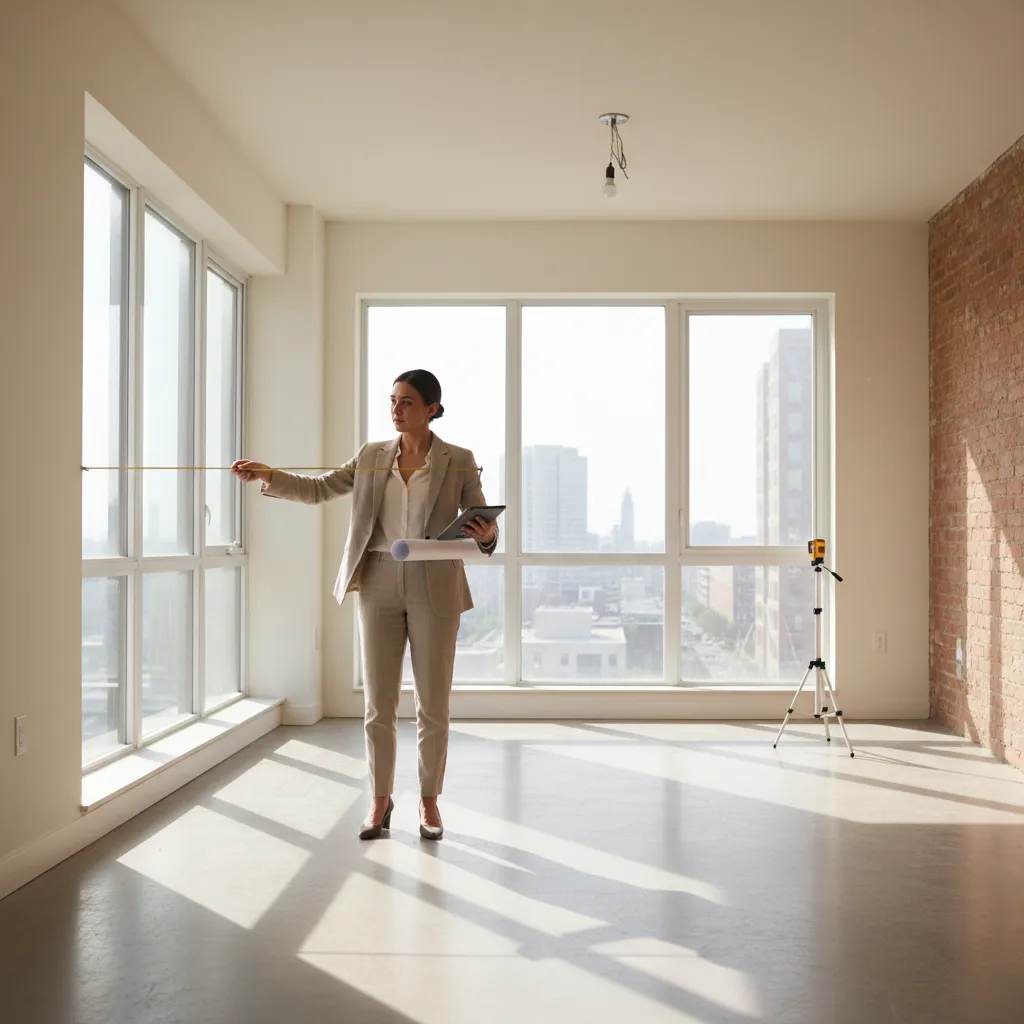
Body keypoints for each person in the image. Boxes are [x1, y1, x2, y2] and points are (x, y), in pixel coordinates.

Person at [232, 369, 497, 841]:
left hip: (435, 581)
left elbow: (480, 523)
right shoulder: (372, 455)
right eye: (393, 400)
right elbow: (319, 490)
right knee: (379, 702)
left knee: (433, 702)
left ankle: (429, 802)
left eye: (408, 402)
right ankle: (380, 800)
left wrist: (488, 534)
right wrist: (269, 475)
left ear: (432, 408)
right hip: (376, 578)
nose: (396, 409)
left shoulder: (458, 459)